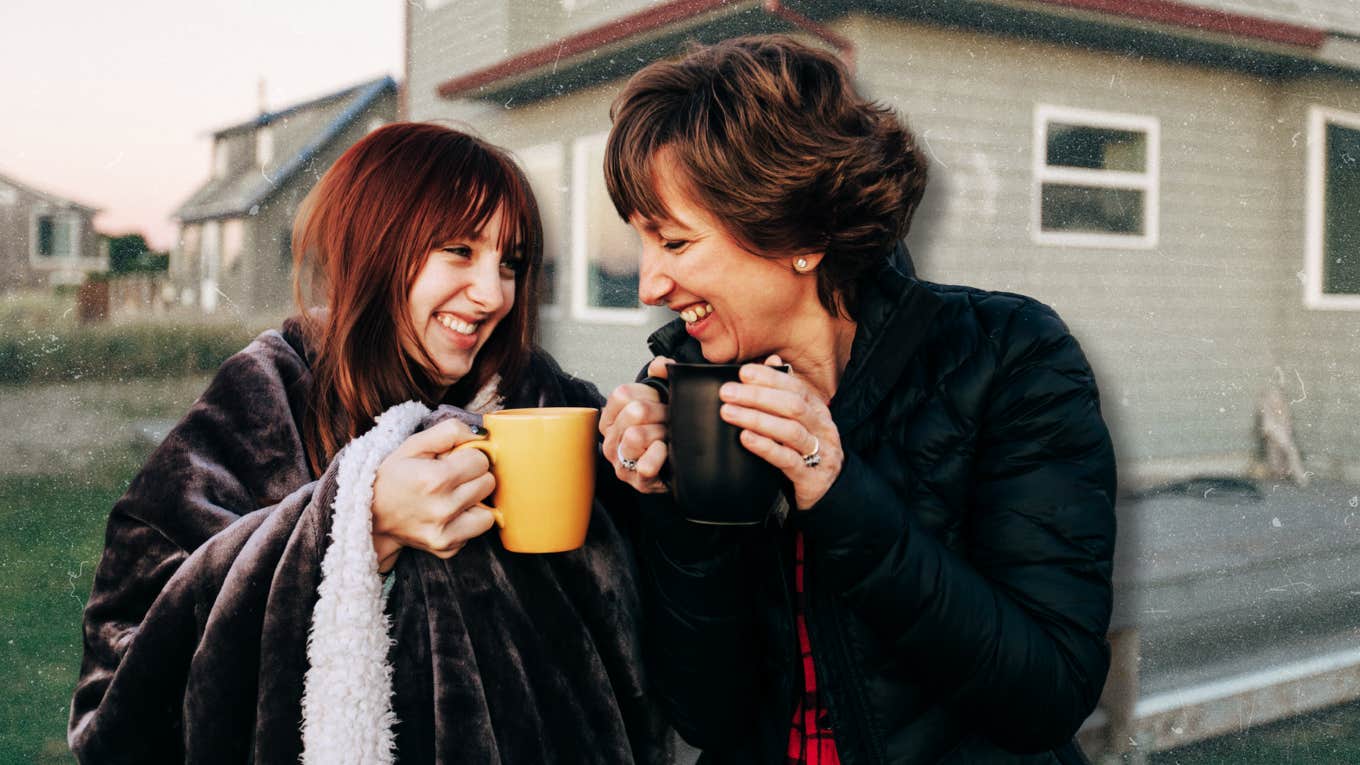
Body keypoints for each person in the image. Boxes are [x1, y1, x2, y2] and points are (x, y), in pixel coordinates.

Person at [69, 122, 668, 764]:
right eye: (460, 251)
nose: (493, 293)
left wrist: (661, 472)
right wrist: (357, 519)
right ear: (375, 248)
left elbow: (660, 642)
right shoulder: (267, 398)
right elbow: (119, 696)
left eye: (512, 263)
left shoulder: (547, 404)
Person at [599, 36, 1117, 764]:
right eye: (643, 244)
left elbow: (1047, 696)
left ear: (800, 234)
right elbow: (709, 715)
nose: (650, 285)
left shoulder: (1011, 357)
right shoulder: (692, 389)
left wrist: (837, 492)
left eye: (676, 243)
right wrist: (673, 503)